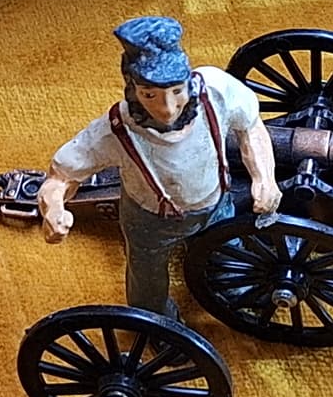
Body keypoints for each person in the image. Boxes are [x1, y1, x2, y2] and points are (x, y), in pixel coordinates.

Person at [37, 16, 282, 320]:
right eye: (150, 95)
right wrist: (54, 209)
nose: (167, 108)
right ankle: (156, 321)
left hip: (215, 205)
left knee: (228, 252)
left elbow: (251, 126)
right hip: (151, 221)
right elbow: (61, 177)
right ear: (133, 89)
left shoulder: (217, 91)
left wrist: (264, 177)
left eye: (177, 91)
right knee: (147, 277)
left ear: (190, 80)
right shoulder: (114, 131)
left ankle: (231, 287)